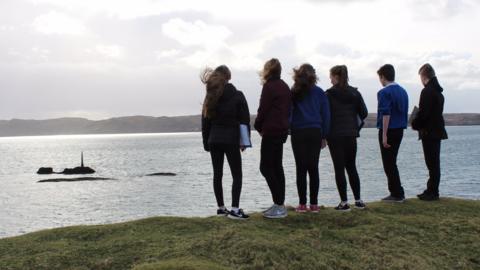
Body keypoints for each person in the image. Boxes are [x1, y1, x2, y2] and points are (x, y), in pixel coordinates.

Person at [201, 65, 251, 220]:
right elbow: (245, 120)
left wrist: (206, 142)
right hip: (231, 139)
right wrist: (244, 141)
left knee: (218, 174)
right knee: (237, 174)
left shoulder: (210, 95)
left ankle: (221, 208)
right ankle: (235, 210)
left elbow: (205, 121)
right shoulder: (237, 94)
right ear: (228, 76)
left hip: (214, 139)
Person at [326, 65, 368, 211]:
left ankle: (344, 202)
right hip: (351, 134)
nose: (330, 79)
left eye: (331, 76)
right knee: (351, 167)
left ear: (336, 77)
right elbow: (364, 113)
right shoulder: (355, 93)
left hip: (335, 135)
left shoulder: (329, 94)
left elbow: (325, 115)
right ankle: (358, 200)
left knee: (339, 168)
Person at [290, 64, 330, 213]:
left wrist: (289, 127)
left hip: (298, 132)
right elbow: (326, 115)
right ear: (313, 75)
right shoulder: (320, 93)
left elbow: (289, 112)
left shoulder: (294, 92)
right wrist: (324, 135)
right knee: (313, 168)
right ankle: (314, 204)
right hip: (315, 132)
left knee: (300, 168)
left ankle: (302, 204)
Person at [254, 58, 292, 219]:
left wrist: (257, 126)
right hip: (282, 130)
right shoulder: (284, 86)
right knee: (277, 167)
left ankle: (278, 204)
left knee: (266, 167)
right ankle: (279, 204)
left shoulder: (269, 87)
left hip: (271, 131)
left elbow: (263, 109)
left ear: (267, 71)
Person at [412, 64, 448, 201]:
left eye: (420, 77)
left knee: (432, 163)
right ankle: (432, 189)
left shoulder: (427, 92)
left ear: (424, 76)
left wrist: (415, 123)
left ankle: (432, 192)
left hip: (429, 132)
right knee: (434, 163)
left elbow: (424, 114)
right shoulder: (438, 92)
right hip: (437, 131)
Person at [376, 64, 409, 203]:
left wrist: (384, 135)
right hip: (400, 130)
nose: (380, 81)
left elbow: (386, 114)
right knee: (392, 162)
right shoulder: (403, 91)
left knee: (388, 163)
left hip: (388, 130)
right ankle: (397, 192)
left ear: (383, 76)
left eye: (380, 78)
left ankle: (396, 193)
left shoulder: (384, 92)